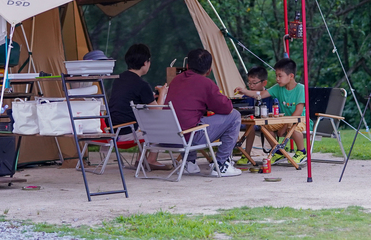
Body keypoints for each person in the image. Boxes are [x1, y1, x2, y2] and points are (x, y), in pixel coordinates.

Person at [165, 48, 242, 176]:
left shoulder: (176, 80)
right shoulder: (206, 83)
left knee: (188, 119)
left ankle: (189, 164)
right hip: (190, 136)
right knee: (234, 116)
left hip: (169, 136)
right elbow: (227, 108)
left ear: (187, 66)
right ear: (209, 70)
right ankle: (221, 165)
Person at [107, 44, 168, 170]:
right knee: (162, 126)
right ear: (145, 63)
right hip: (126, 132)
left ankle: (141, 160)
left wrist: (148, 98)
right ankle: (151, 160)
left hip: (111, 129)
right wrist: (163, 93)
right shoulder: (142, 84)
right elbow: (158, 112)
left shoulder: (118, 79)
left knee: (147, 122)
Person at [235, 57, 306, 165]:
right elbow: (259, 95)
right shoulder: (278, 88)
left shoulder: (300, 88)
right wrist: (244, 91)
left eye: (280, 76)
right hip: (285, 120)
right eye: (276, 75)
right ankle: (278, 151)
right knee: (265, 126)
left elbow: (298, 112)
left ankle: (301, 151)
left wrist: (285, 126)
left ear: (291, 76)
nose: (277, 78)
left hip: (301, 120)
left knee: (293, 126)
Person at [234, 66, 277, 163]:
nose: (251, 85)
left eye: (254, 83)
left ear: (264, 83)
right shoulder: (246, 97)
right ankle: (246, 155)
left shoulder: (269, 96)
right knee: (249, 125)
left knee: (263, 126)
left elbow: (271, 113)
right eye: (249, 83)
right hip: (250, 122)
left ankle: (277, 151)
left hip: (264, 123)